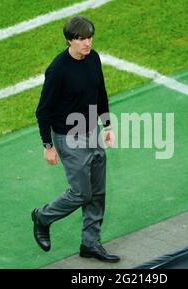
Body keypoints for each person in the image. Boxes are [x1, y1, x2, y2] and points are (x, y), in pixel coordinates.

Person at [31, 16, 120, 263]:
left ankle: (90, 244)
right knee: (81, 193)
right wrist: (47, 145)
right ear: (70, 39)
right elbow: (43, 110)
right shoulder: (58, 69)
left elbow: (99, 91)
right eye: (82, 38)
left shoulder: (93, 58)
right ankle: (43, 217)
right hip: (68, 138)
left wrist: (108, 124)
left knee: (98, 192)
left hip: (93, 132)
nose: (87, 42)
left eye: (90, 37)